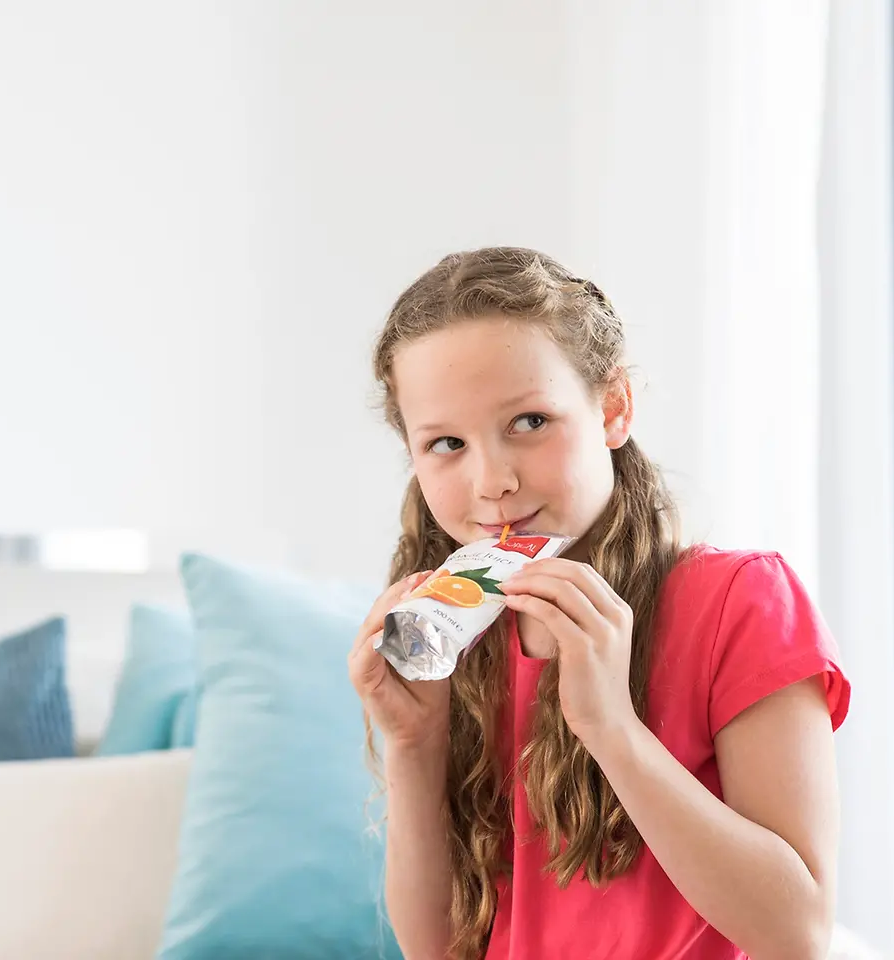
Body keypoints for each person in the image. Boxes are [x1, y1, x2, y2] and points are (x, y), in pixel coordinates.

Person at [348, 247, 851, 960]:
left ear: (612, 408)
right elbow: (434, 949)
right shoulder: (459, 635)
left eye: (528, 422)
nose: (492, 481)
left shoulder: (738, 602)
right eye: (446, 443)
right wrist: (412, 747)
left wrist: (610, 728)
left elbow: (795, 933)